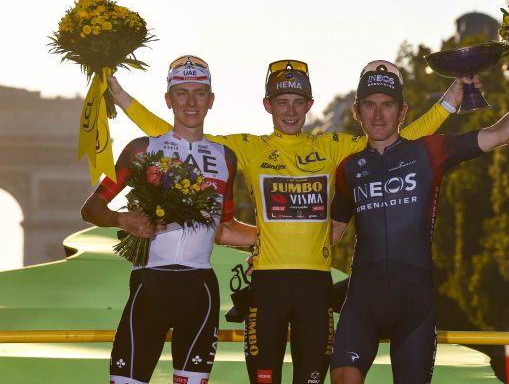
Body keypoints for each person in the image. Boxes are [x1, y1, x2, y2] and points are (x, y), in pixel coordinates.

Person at [107, 58, 463, 384]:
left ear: (309, 105)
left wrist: (447, 104)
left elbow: (403, 141)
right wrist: (123, 99)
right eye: (281, 102)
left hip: (316, 288)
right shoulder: (250, 148)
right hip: (266, 287)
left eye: (298, 102)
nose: (290, 111)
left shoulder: (331, 147)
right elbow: (181, 136)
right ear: (268, 105)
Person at [329, 59, 509, 383]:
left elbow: (500, 134)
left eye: (387, 105)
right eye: (369, 106)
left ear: (402, 112)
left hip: (414, 307)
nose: (378, 114)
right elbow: (330, 233)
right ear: (357, 112)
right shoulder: (347, 169)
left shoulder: (428, 151)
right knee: (343, 379)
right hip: (361, 303)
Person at [81, 55, 255, 384]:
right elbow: (92, 207)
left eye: (199, 93)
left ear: (211, 100)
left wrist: (276, 240)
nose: (191, 103)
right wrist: (122, 219)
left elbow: (224, 229)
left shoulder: (225, 158)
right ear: (168, 99)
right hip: (150, 285)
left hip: (200, 289)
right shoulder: (142, 149)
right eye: (181, 93)